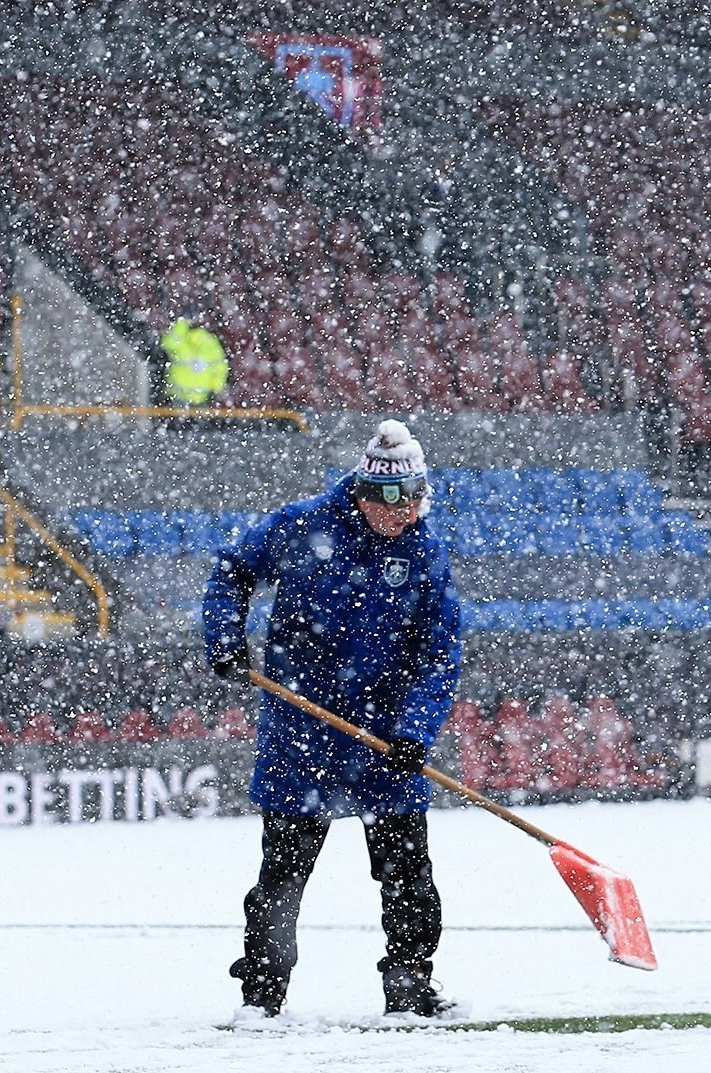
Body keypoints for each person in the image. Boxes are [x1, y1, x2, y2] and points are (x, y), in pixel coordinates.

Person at [202, 419, 462, 1021]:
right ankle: (261, 996)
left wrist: (414, 732)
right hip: (301, 732)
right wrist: (225, 639)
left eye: (414, 499)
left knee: (407, 873)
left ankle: (410, 987)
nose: (402, 513)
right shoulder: (302, 526)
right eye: (390, 501)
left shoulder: (425, 553)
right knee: (283, 873)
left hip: (386, 738)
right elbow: (232, 571)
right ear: (364, 493)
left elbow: (440, 655)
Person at [160, 314, 228, 407]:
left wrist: (182, 323)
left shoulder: (181, 340)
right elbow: (220, 368)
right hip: (199, 399)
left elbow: (167, 343)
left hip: (178, 398)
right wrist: (216, 389)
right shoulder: (211, 343)